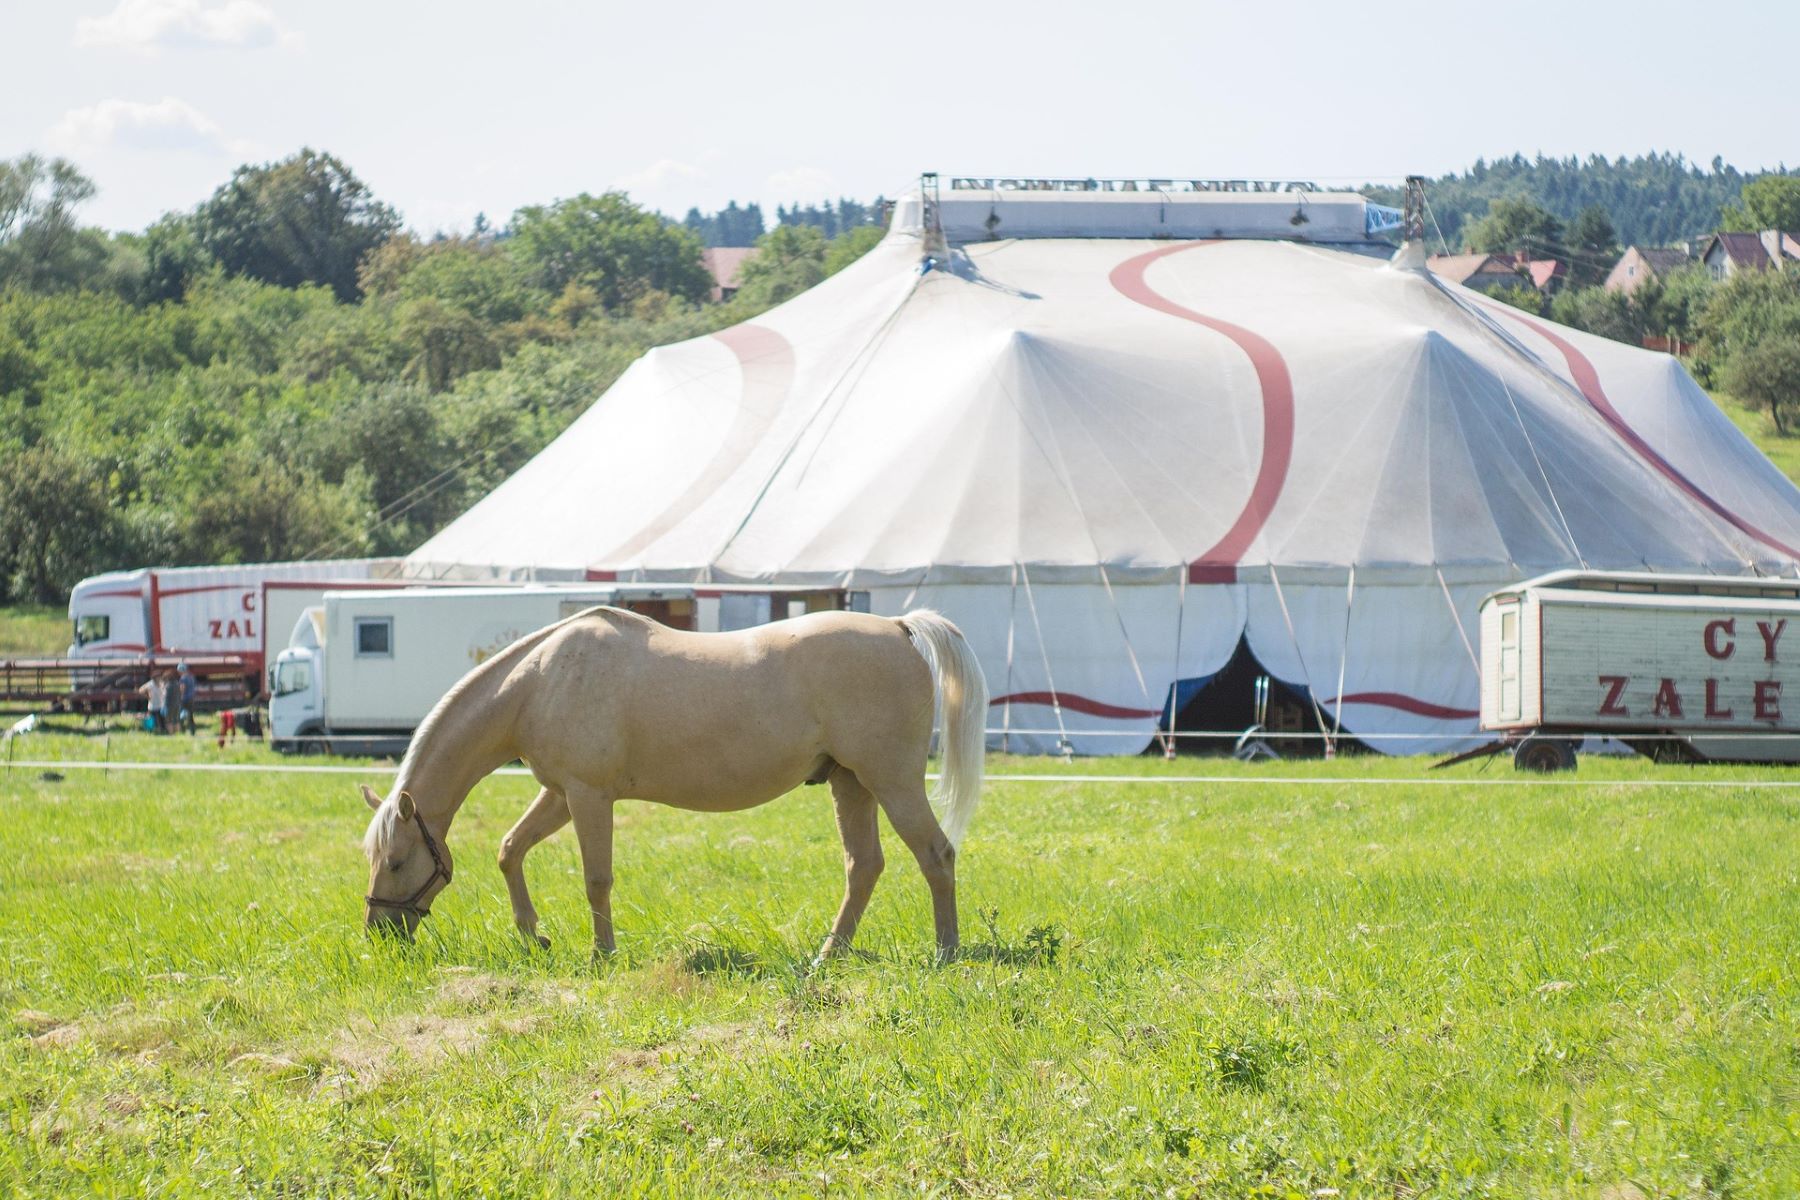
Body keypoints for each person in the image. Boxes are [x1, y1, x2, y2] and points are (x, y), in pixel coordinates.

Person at [177, 663, 198, 734]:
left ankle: (182, 730)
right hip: (191, 698)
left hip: (184, 699)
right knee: (190, 715)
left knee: (181, 715)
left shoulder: (183, 678)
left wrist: (180, 697)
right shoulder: (191, 677)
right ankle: (192, 731)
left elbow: (182, 689)